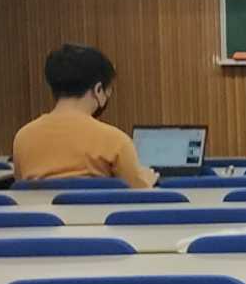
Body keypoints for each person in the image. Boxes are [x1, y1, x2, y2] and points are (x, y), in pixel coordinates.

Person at [10, 43, 157, 187]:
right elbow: (138, 194)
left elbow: (21, 193)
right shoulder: (116, 141)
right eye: (109, 90)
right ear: (98, 90)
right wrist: (147, 180)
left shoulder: (23, 138)